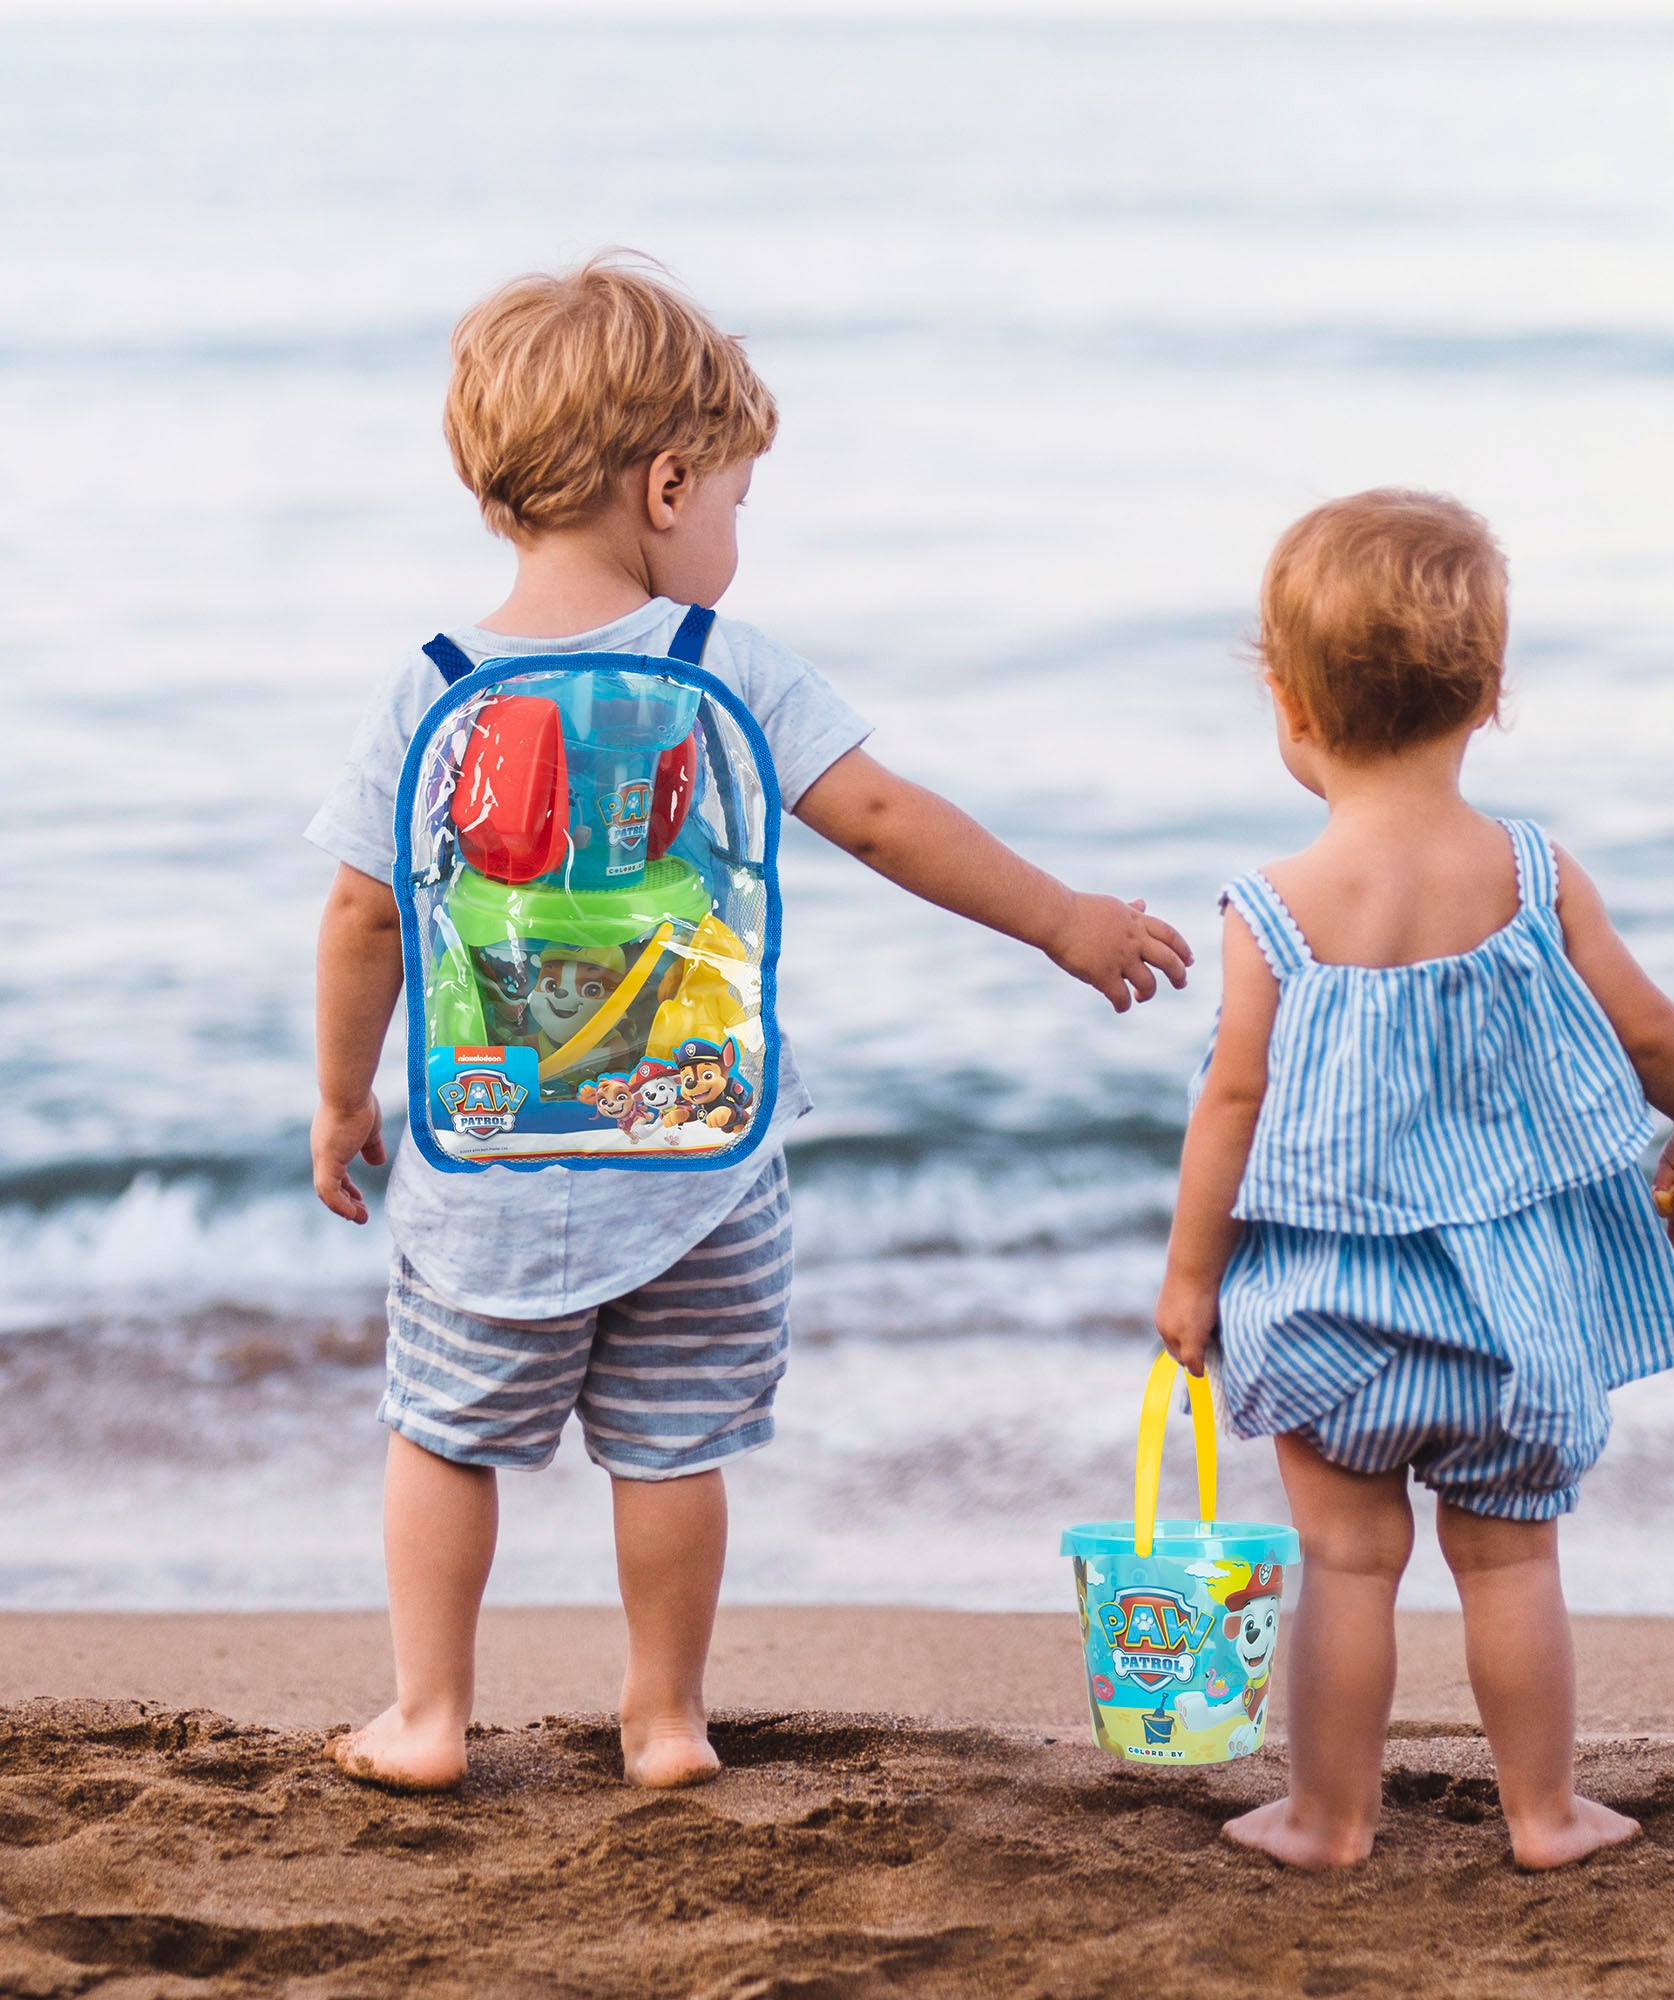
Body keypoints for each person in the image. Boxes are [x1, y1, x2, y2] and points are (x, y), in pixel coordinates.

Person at [308, 253, 1192, 1794]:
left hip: (491, 1162)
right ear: (665, 486)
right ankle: (664, 1719)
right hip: (697, 1161)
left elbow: (364, 916)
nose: (732, 529)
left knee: (445, 1435)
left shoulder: (428, 688)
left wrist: (340, 1099)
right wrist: (1064, 920)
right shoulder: (723, 668)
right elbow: (886, 819)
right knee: (671, 1447)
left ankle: (428, 1714)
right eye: (732, 497)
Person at [1154, 490, 1674, 1871]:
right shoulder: (1533, 875)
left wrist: (1189, 1277)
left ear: (1289, 703)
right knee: (1510, 1561)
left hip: (1335, 1318)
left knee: (1349, 1565)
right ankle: (1545, 1814)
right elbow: (1651, 1031)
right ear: (1489, 694)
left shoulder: (1274, 912)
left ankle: (1328, 1817)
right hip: (1516, 1318)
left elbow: (1230, 1107)